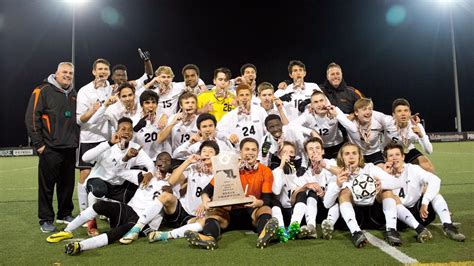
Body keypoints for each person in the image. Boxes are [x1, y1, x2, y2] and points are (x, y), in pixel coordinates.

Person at [119, 141, 219, 244]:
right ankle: (136, 229)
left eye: (211, 152)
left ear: (216, 156)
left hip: (195, 217)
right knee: (165, 196)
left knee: (204, 222)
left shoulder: (219, 173)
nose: (207, 154)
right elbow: (170, 182)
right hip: (181, 210)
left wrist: (205, 202)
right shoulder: (193, 168)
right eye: (204, 151)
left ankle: (163, 235)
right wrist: (188, 161)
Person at [185, 137, 278, 250]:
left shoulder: (265, 171)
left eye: (253, 150)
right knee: (212, 214)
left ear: (258, 153)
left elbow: (267, 199)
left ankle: (263, 235)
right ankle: (209, 239)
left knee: (266, 208)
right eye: (247, 149)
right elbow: (206, 191)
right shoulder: (229, 168)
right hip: (229, 214)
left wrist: (257, 202)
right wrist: (205, 201)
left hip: (252, 212)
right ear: (240, 152)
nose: (250, 152)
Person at [45, 169, 163, 256]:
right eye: (159, 162)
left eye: (166, 161)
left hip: (143, 223)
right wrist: (148, 173)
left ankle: (81, 246)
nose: (162, 164)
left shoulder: (170, 188)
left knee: (117, 232)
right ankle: (67, 231)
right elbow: (122, 171)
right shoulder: (147, 174)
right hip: (129, 210)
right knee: (101, 205)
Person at [25, 62, 79, 233]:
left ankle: (64, 213)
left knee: (67, 185)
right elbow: (32, 118)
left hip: (70, 147)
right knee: (47, 187)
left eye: (70, 73)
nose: (68, 75)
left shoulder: (73, 93)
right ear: (56, 73)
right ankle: (46, 219)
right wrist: (39, 144)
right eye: (64, 72)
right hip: (50, 148)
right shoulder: (42, 90)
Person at [82, 117, 156, 236]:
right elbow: (85, 158)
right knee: (98, 190)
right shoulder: (107, 145)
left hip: (118, 186)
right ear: (116, 131)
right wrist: (109, 143)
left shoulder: (135, 147)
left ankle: (135, 217)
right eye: (123, 129)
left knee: (142, 179)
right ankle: (91, 223)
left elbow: (151, 165)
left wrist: (149, 174)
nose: (127, 132)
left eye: (130, 130)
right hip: (99, 182)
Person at [323, 143, 403, 247]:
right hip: (355, 217)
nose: (351, 156)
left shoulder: (369, 168)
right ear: (341, 158)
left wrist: (382, 184)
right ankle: (356, 233)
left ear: (359, 156)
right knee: (344, 192)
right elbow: (327, 204)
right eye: (347, 154)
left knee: (386, 190)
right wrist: (338, 185)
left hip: (375, 216)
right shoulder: (338, 176)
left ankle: (392, 230)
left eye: (354, 153)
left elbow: (398, 182)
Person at [383, 143, 465, 242]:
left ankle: (448, 226)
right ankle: (420, 230)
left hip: (420, 213)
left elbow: (435, 180)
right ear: (386, 159)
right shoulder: (382, 172)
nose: (394, 158)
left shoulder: (413, 169)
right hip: (397, 218)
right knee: (391, 198)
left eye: (397, 155)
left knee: (433, 193)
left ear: (403, 157)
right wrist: (386, 176)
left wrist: (425, 202)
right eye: (390, 156)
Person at [76, 58, 116, 218]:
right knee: (85, 175)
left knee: (107, 174)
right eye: (100, 69)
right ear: (93, 71)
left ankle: (104, 210)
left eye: (106, 69)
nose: (103, 72)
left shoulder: (112, 90)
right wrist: (93, 110)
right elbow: (80, 120)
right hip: (89, 138)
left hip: (107, 139)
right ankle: (83, 212)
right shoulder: (84, 91)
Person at [290, 91, 353, 159]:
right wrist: (311, 132)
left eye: (321, 100)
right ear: (311, 105)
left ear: (326, 102)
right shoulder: (308, 114)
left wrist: (337, 115)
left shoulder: (334, 110)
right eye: (316, 102)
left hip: (337, 144)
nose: (320, 104)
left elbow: (351, 127)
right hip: (319, 148)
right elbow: (290, 125)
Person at [338, 98, 396, 167]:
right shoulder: (349, 121)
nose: (368, 112)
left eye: (370, 109)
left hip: (374, 153)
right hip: (357, 154)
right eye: (364, 109)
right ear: (356, 112)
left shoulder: (378, 121)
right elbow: (335, 113)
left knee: (382, 170)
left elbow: (393, 122)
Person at [384, 98, 435, 173]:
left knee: (428, 167)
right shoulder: (387, 122)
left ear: (410, 113)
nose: (403, 114)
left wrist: (421, 135)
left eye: (406, 111)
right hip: (388, 151)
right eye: (399, 111)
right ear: (393, 115)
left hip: (406, 149)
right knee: (392, 172)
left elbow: (429, 151)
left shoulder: (416, 126)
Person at [298, 62, 363, 114]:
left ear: (341, 75)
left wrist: (352, 116)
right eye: (332, 74)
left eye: (338, 73)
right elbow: (307, 100)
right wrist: (307, 104)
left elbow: (364, 106)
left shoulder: (352, 91)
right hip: (325, 128)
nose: (335, 76)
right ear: (327, 76)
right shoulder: (319, 89)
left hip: (346, 128)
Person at [131, 90, 171, 160]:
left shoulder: (162, 118)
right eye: (147, 103)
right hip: (140, 159)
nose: (151, 106)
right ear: (142, 105)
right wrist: (136, 129)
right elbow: (128, 141)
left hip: (159, 159)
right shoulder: (134, 120)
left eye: (153, 102)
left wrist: (165, 116)